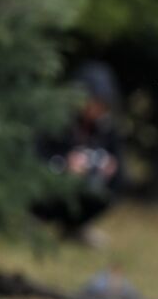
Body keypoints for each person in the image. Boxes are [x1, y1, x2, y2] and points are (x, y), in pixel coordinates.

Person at [33, 62, 125, 241]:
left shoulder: (107, 128)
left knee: (110, 187)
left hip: (84, 191)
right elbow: (33, 159)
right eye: (94, 103)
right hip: (52, 186)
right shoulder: (53, 120)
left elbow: (121, 171)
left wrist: (110, 168)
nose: (97, 110)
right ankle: (35, 220)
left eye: (103, 105)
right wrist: (62, 163)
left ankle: (75, 227)